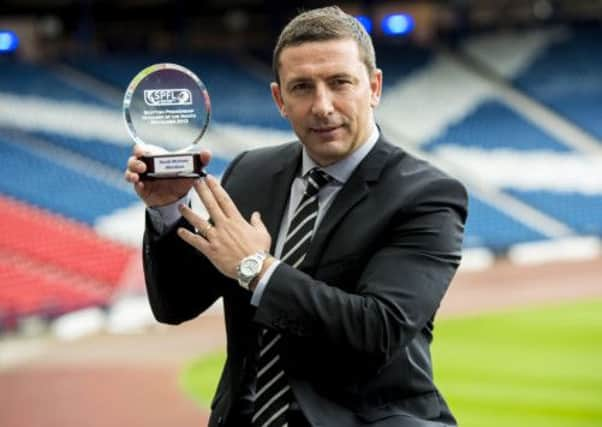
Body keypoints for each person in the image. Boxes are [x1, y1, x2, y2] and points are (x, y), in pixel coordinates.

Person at [125, 6, 467, 427]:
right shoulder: (250, 172)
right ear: (279, 99)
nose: (322, 106)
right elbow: (176, 305)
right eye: (302, 87)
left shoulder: (426, 194)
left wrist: (257, 270)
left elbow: (378, 330)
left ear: (374, 87)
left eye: (340, 83)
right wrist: (166, 208)